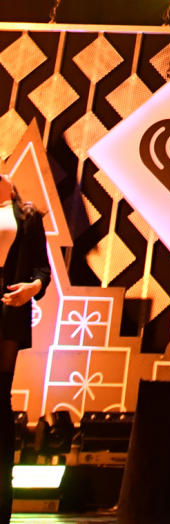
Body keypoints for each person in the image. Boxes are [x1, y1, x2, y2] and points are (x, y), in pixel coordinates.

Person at [0, 174, 50, 523]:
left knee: (0, 395)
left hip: (8, 306)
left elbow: (41, 269)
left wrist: (31, 289)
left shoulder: (27, 217)